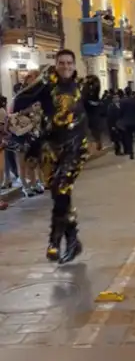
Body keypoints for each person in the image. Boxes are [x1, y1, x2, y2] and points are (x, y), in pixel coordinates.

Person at [13, 50, 94, 263]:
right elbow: (19, 102)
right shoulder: (47, 88)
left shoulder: (83, 87)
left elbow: (93, 111)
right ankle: (73, 240)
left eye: (69, 63)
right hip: (51, 149)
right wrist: (40, 81)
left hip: (76, 147)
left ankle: (54, 241)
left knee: (62, 188)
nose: (66, 66)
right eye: (61, 63)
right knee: (59, 195)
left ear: (75, 66)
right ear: (55, 65)